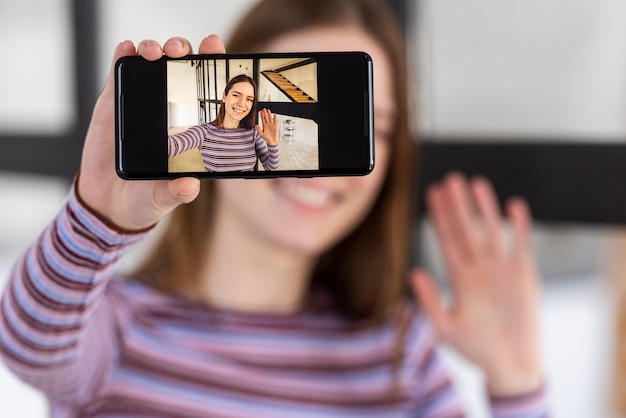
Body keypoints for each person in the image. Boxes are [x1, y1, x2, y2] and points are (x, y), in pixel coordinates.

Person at [0, 0, 548, 416]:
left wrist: (517, 381)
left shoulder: (399, 354)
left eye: (370, 129)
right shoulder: (120, 327)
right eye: (244, 96)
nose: (326, 166)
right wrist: (96, 220)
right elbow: (25, 343)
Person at [168, 74, 280, 172]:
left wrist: (273, 144)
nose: (242, 104)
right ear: (224, 97)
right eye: (236, 95)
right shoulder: (203, 132)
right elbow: (170, 146)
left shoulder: (253, 134)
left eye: (249, 99)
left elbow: (271, 170)